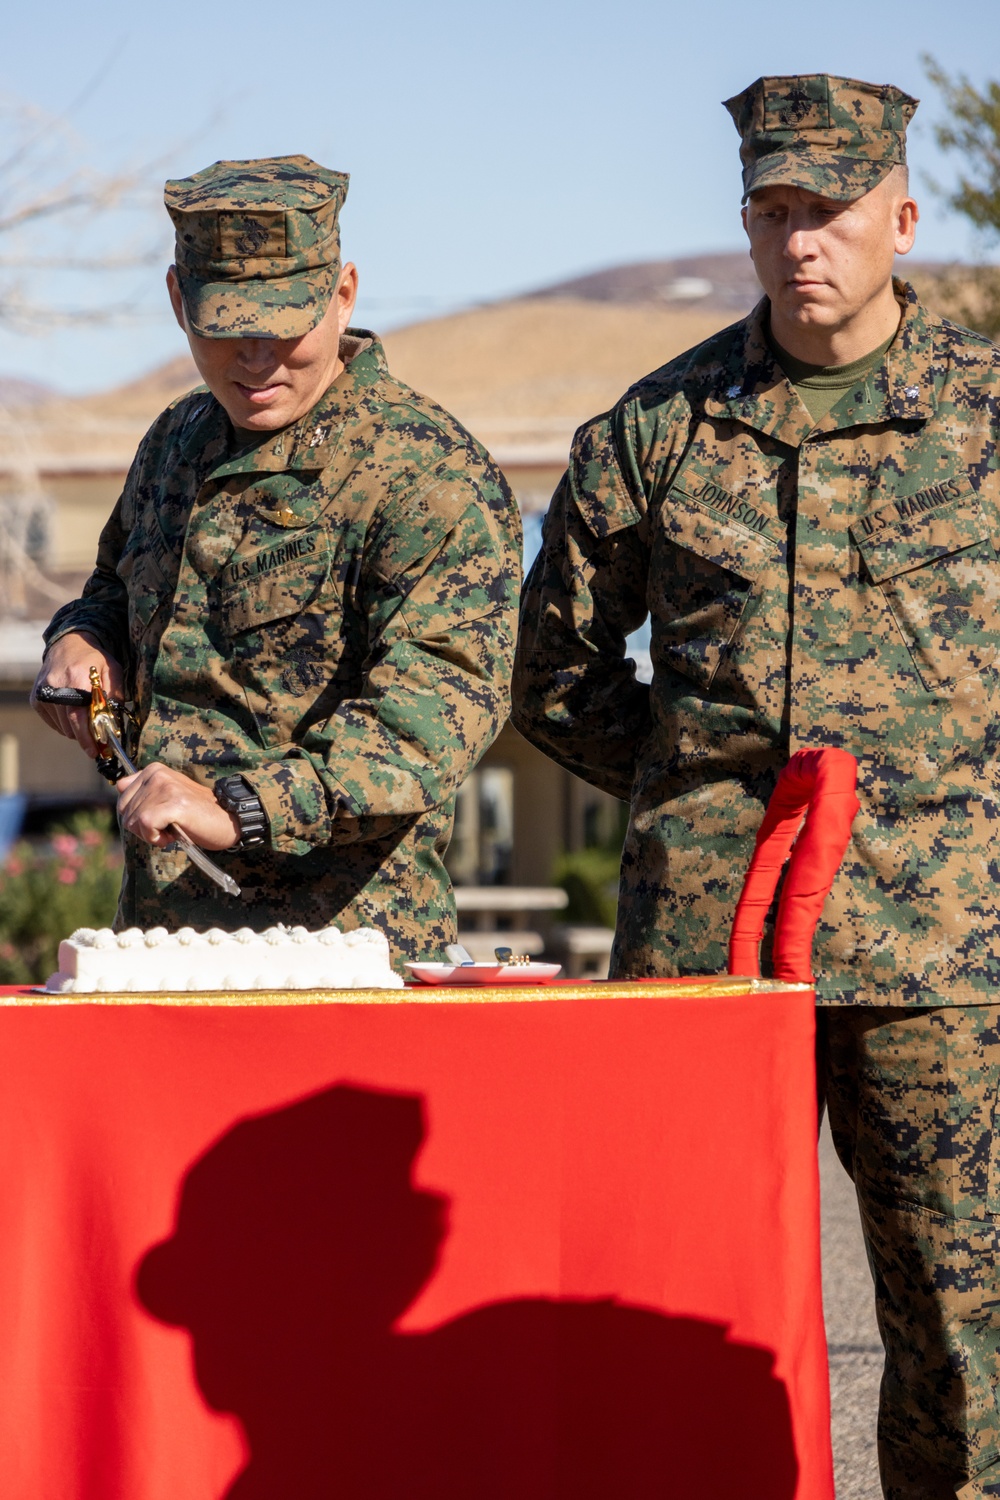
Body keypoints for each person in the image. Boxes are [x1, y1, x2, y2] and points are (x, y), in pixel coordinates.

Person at [512, 74, 1000, 1499]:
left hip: (942, 943)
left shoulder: (984, 423)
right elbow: (553, 674)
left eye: (832, 210)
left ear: (901, 219)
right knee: (684, 1295)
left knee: (962, 1319)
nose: (802, 241)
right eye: (773, 210)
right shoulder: (656, 431)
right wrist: (698, 793)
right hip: (708, 948)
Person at [32, 156, 521, 967]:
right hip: (164, 944)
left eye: (284, 324)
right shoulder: (175, 443)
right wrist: (82, 640)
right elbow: (115, 589)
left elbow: (437, 713)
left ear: (343, 294)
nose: (256, 359)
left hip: (344, 950)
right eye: (224, 327)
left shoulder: (427, 475)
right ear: (177, 302)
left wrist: (240, 805)